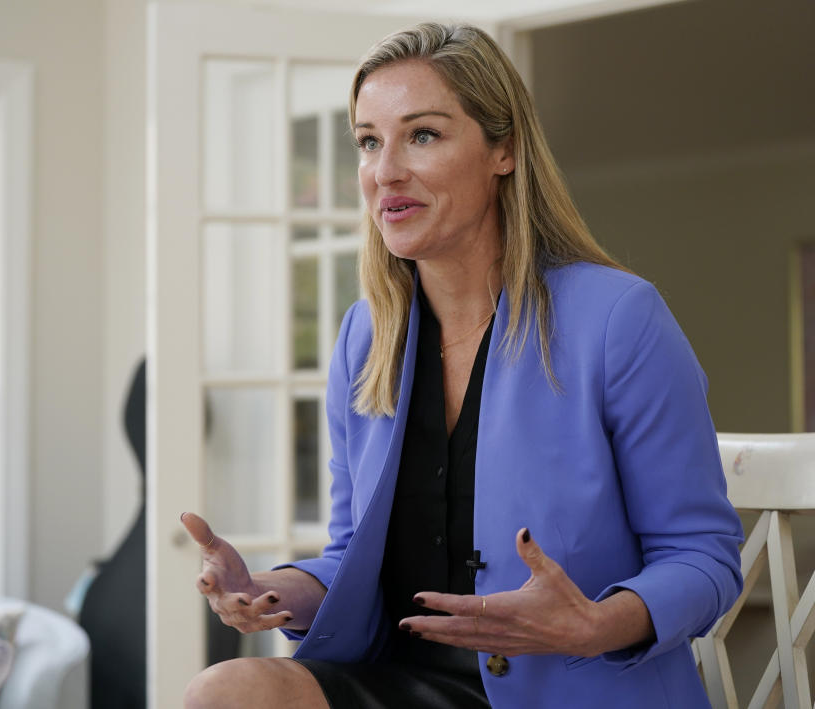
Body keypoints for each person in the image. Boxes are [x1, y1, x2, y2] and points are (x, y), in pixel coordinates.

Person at [181, 22, 743, 708]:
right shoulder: (365, 337)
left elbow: (705, 556)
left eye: (422, 134)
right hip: (402, 681)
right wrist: (267, 592)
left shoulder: (619, 319)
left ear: (503, 148)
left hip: (572, 689)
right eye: (367, 140)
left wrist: (596, 624)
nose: (385, 169)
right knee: (225, 690)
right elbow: (354, 552)